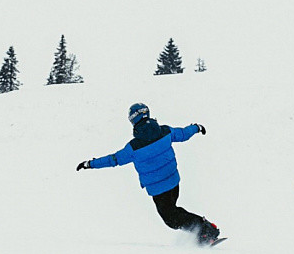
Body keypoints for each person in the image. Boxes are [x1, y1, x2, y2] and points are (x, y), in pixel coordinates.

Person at [76, 103, 220, 245]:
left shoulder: (133, 147)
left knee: (170, 218)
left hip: (158, 189)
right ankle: (203, 231)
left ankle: (205, 231)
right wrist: (196, 127)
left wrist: (90, 164)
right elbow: (183, 134)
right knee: (174, 211)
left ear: (133, 120)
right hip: (173, 181)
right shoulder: (165, 131)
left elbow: (113, 160)